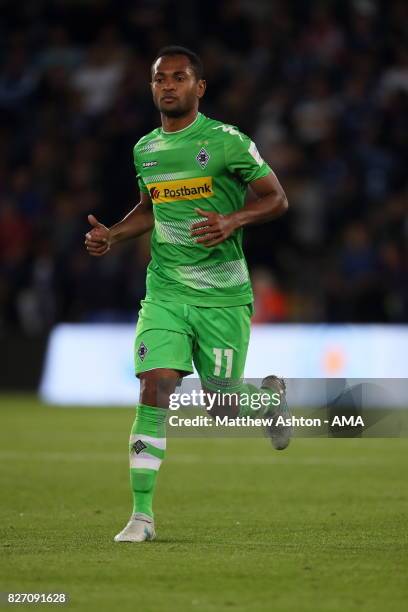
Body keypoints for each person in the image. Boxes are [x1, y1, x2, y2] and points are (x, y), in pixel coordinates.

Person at [85, 46, 290, 543]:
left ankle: (268, 401)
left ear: (199, 88)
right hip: (166, 290)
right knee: (154, 385)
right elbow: (149, 209)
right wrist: (113, 234)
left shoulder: (227, 142)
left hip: (222, 295)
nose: (168, 86)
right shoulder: (146, 150)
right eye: (160, 79)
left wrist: (232, 219)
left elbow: (276, 199)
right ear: (152, 87)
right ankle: (141, 516)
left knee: (222, 405)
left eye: (179, 78)